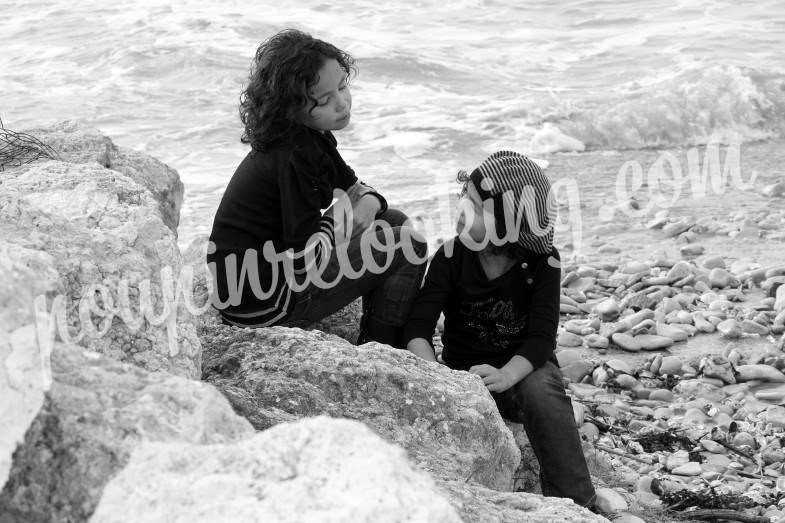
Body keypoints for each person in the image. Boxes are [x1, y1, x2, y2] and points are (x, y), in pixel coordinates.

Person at [207, 29, 427, 347]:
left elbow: (355, 187)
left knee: (392, 220)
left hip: (269, 278)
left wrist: (368, 203)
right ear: (289, 107)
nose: (342, 104)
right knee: (408, 244)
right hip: (262, 303)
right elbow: (305, 259)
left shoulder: (309, 136)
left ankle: (382, 331)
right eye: (324, 100)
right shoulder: (291, 158)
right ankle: (381, 344)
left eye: (343, 86)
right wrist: (337, 218)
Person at [403, 150, 596, 508]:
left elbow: (541, 340)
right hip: (465, 376)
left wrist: (508, 375)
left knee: (542, 390)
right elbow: (418, 327)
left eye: (476, 207)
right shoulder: (450, 256)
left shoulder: (543, 262)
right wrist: (437, 375)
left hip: (521, 369)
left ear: (507, 224)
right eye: (464, 197)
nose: (462, 210)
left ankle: (577, 504)